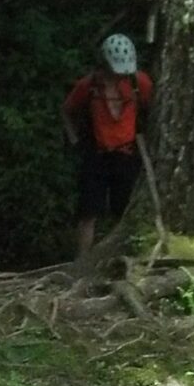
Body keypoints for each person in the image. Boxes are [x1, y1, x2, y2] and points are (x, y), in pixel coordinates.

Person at [63, 32, 154, 257]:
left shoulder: (138, 82)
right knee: (88, 213)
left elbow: (151, 107)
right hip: (96, 154)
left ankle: (119, 262)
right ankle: (82, 264)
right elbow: (66, 110)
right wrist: (74, 138)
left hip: (126, 155)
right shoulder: (89, 86)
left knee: (122, 213)